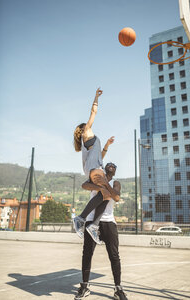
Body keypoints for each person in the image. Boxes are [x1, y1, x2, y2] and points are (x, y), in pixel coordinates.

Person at [74, 162, 128, 300]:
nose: (111, 165)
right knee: (87, 254)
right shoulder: (96, 177)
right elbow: (84, 185)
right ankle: (84, 286)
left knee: (114, 256)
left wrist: (106, 185)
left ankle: (118, 289)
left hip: (109, 222)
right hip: (91, 221)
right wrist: (100, 186)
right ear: (104, 169)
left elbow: (116, 196)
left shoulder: (116, 183)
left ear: (115, 172)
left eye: (114, 166)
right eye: (109, 164)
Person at [73, 88, 119, 244]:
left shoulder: (90, 145)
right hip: (95, 170)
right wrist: (96, 97)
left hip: (95, 169)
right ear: (84, 128)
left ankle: (93, 225)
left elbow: (100, 156)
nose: (90, 124)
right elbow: (93, 112)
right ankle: (81, 219)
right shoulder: (87, 132)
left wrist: (106, 144)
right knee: (106, 193)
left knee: (106, 195)